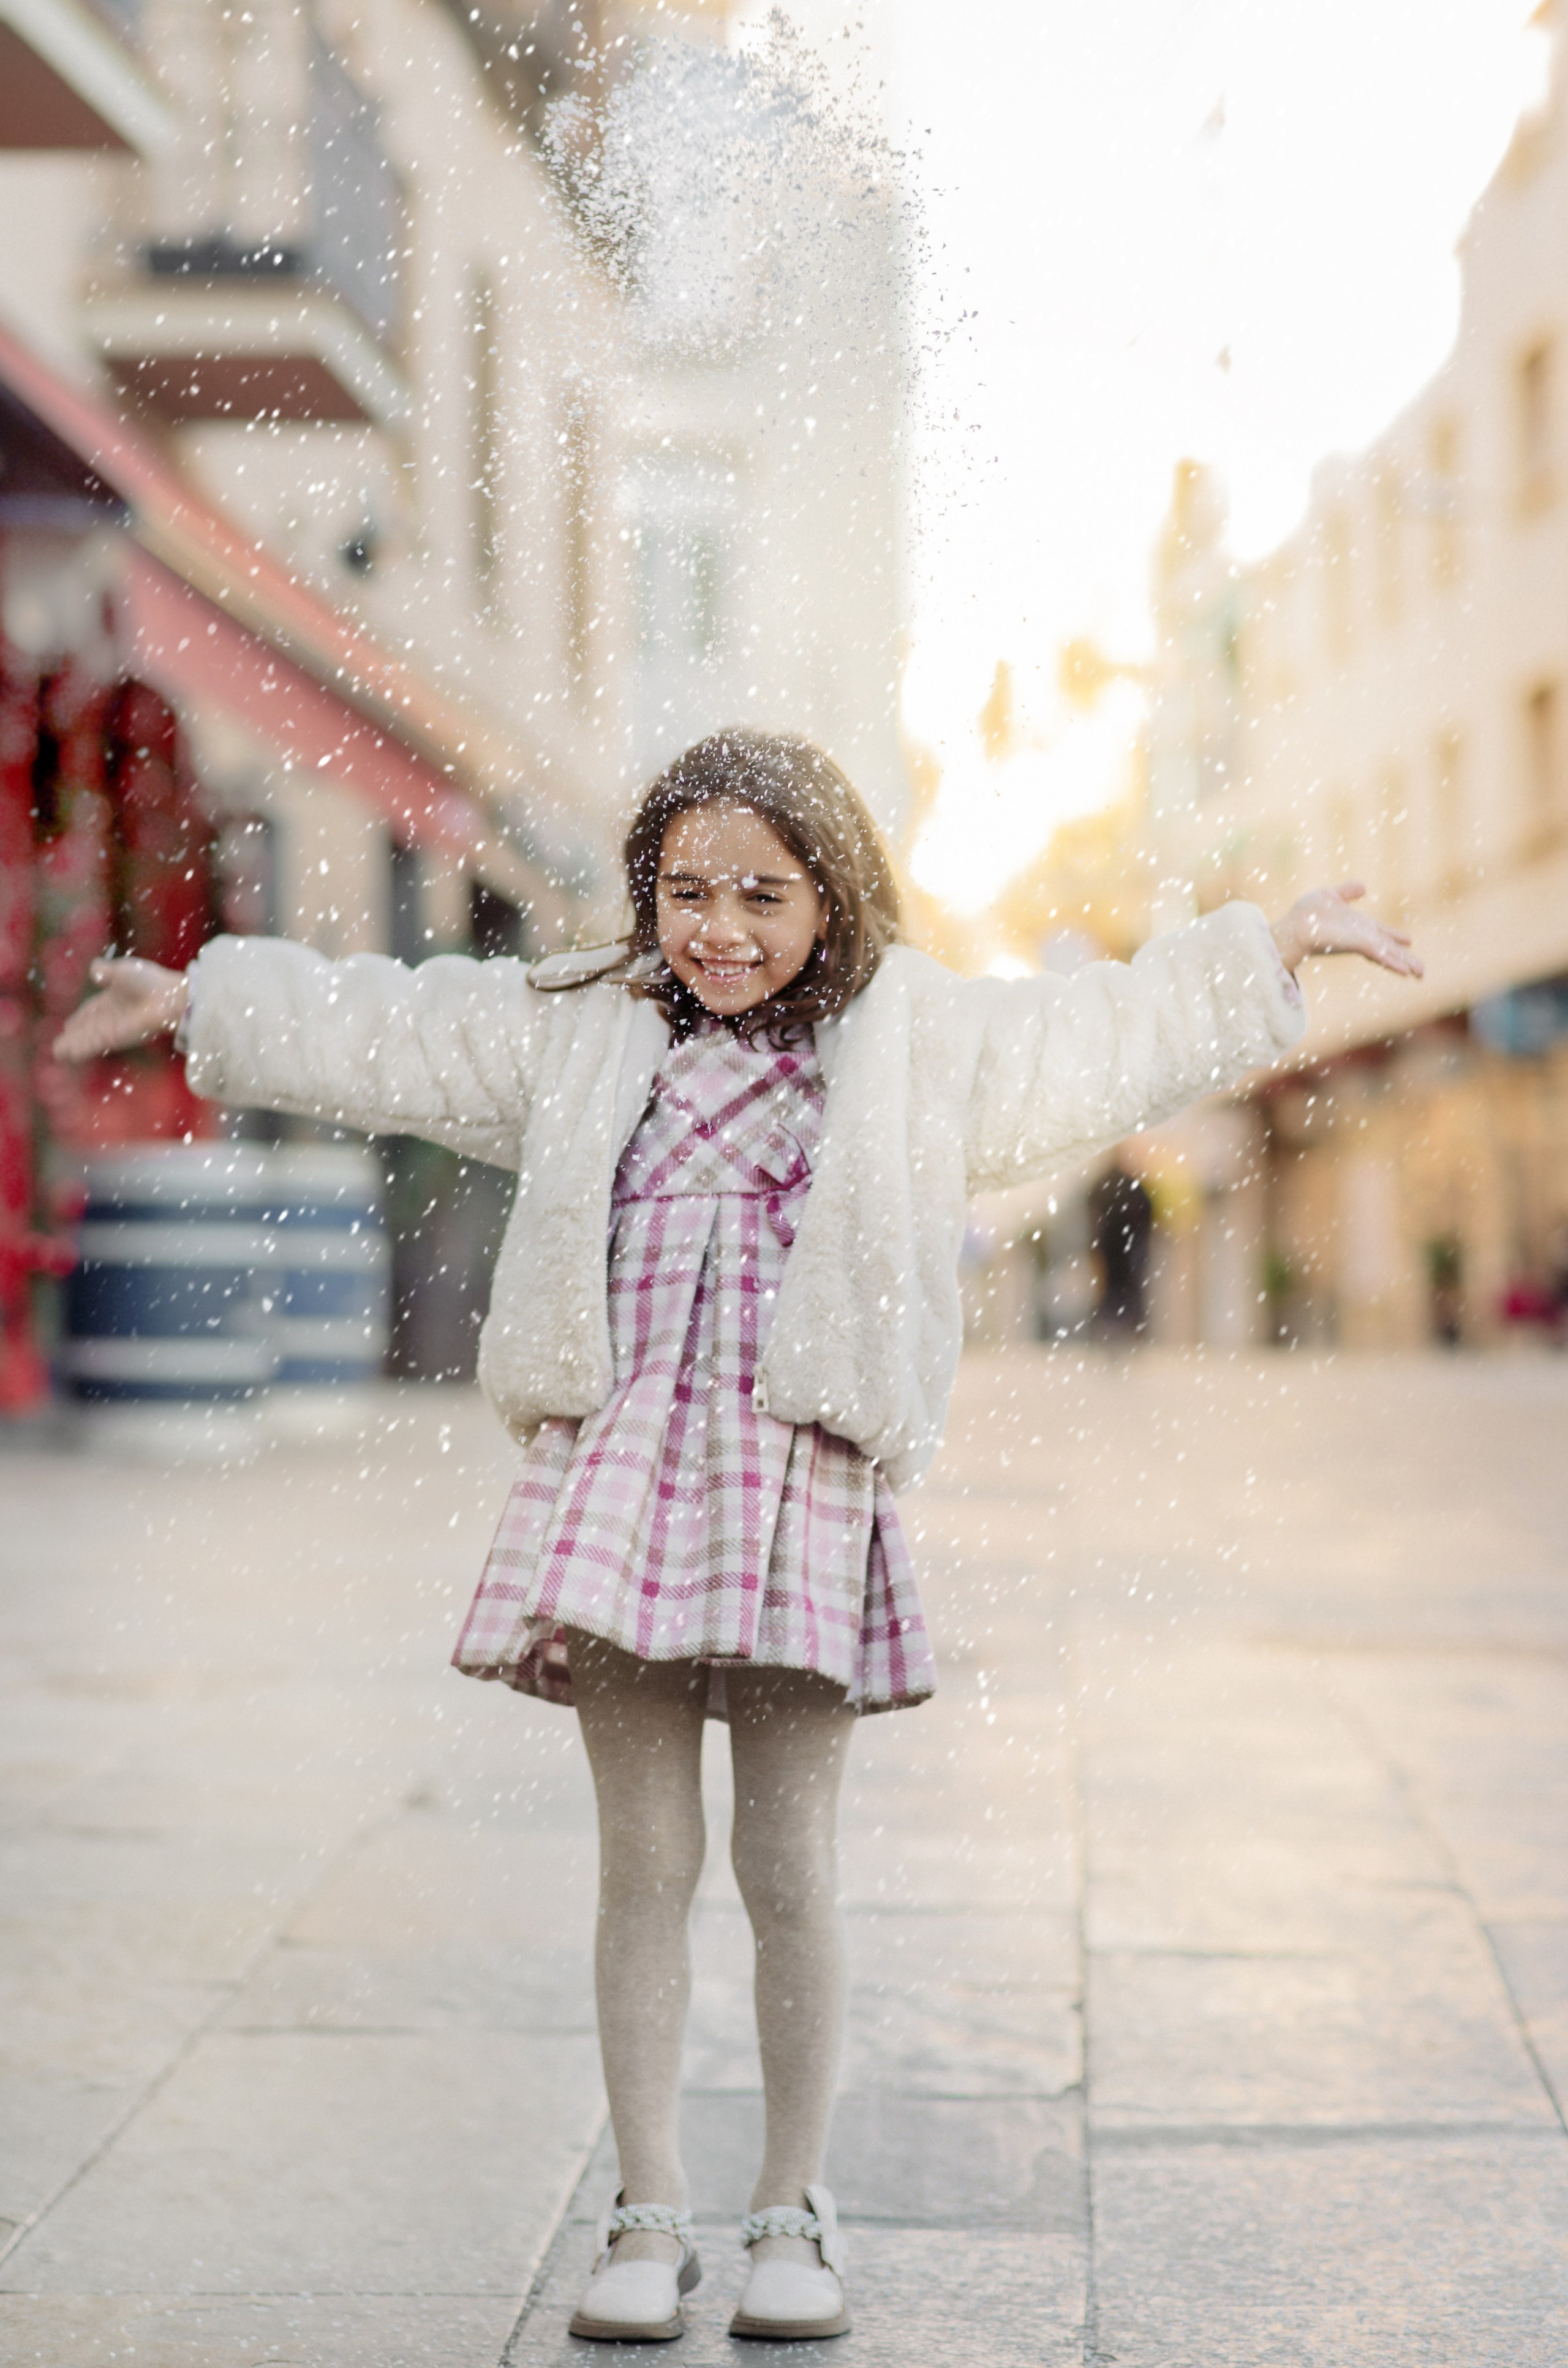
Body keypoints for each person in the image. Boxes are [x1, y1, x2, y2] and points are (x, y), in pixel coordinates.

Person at [56, 728, 1421, 2343]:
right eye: (690, 889)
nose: (722, 926)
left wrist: (1258, 947)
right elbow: (404, 1029)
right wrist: (210, 1001)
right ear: (648, 895)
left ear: (834, 892)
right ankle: (646, 2209)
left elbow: (1092, 1035)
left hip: (805, 1491)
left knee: (790, 1867)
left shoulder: (911, 1038)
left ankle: (793, 2202)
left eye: (763, 893)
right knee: (643, 1865)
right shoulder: (582, 1025)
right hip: (621, 1485)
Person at [1089, 1159, 1155, 1338]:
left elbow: (1092, 1213)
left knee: (1111, 1292)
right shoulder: (1131, 1185)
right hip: (1128, 1247)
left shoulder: (1103, 1184)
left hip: (1112, 1247)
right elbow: (1148, 1210)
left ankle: (1112, 1329)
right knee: (1129, 1290)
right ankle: (1130, 1328)